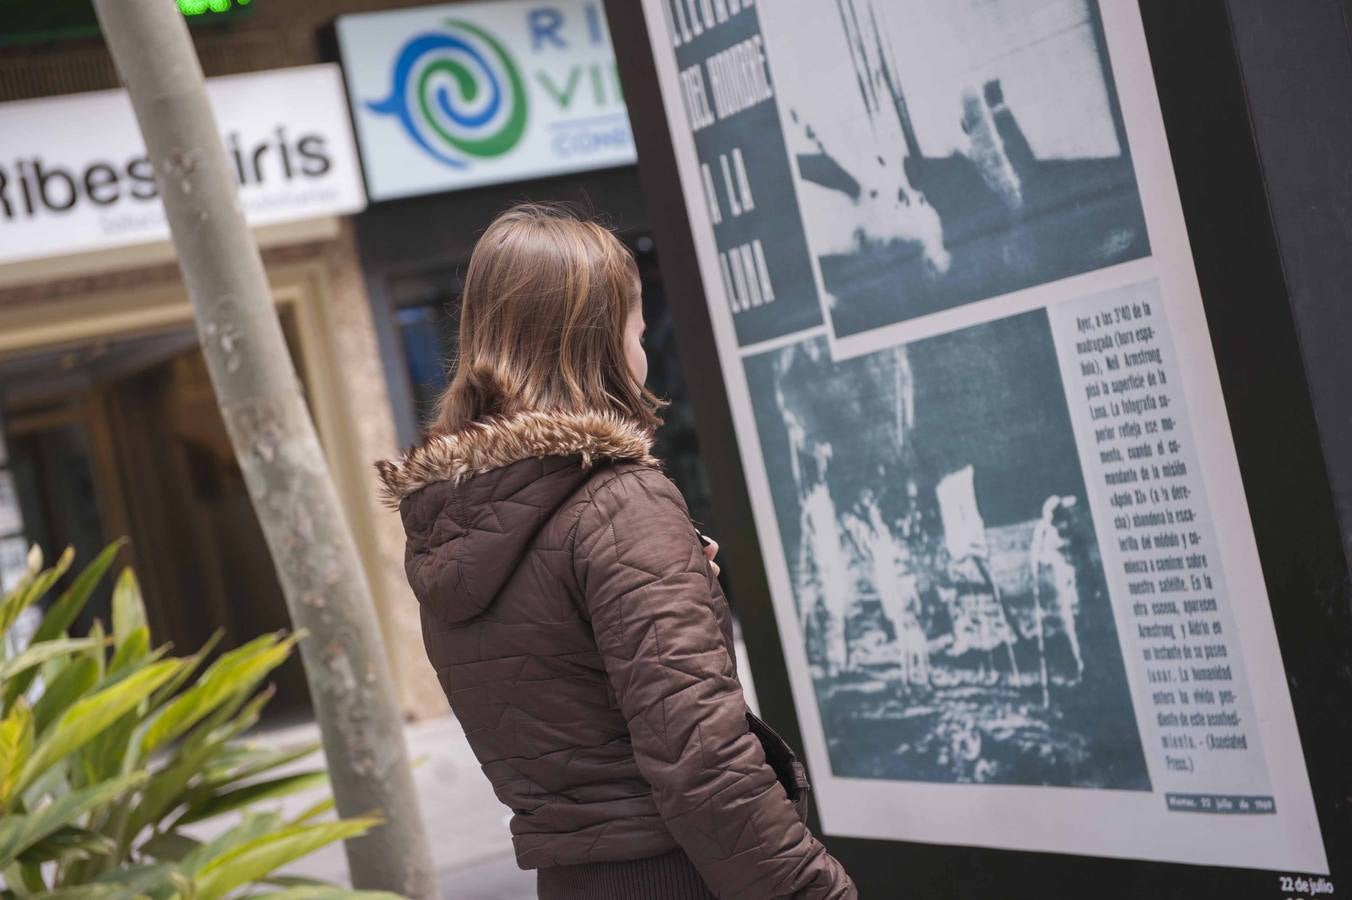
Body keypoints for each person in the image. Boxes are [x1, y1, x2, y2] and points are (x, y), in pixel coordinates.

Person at [376, 204, 856, 900]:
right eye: (635, 327)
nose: (644, 351)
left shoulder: (452, 522)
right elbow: (705, 764)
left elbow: (560, 685)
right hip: (681, 875)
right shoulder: (620, 504)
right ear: (597, 341)